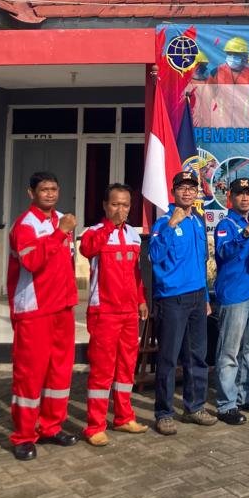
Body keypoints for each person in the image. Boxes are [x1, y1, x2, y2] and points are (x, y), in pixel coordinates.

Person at [7, 171, 79, 461]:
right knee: (30, 375)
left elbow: (67, 261)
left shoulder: (62, 219)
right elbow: (33, 261)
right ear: (31, 193)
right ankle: (24, 436)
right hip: (34, 311)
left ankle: (51, 425)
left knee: (59, 373)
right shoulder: (25, 225)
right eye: (44, 190)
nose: (49, 194)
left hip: (62, 307)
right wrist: (60, 232)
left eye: (53, 189)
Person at [148, 170, 218, 435]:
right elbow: (154, 256)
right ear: (173, 192)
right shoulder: (164, 222)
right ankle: (164, 412)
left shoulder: (198, 222)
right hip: (172, 299)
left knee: (197, 357)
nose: (187, 192)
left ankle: (194, 407)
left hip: (197, 297)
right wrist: (171, 226)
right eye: (182, 188)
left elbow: (201, 263)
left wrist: (207, 298)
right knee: (168, 359)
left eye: (192, 188)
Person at [79, 183, 149, 446]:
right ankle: (95, 425)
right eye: (115, 204)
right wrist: (110, 226)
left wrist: (141, 299)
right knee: (102, 370)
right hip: (104, 312)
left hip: (129, 312)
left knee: (126, 367)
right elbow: (88, 250)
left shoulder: (133, 234)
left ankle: (123, 417)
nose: (121, 210)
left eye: (126, 205)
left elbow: (136, 272)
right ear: (105, 206)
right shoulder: (94, 232)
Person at [213, 176, 249, 424]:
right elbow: (224, 252)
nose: (245, 197)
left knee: (247, 351)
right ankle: (226, 405)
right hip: (233, 296)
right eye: (240, 193)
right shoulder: (227, 224)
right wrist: (247, 233)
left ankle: (244, 396)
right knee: (229, 352)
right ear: (230, 198)